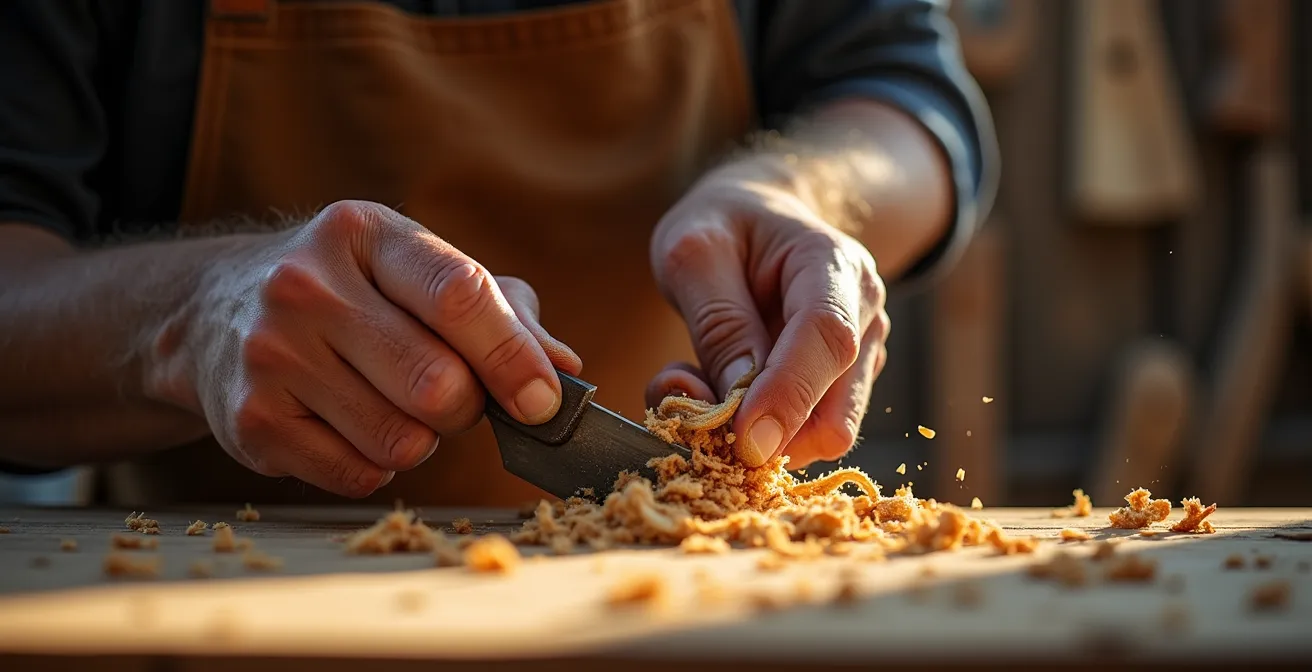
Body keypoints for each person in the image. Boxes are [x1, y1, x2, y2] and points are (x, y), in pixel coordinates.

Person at [0, 0, 997, 507]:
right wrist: (188, 313)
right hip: (222, 594)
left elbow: (904, 98)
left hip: (684, 602)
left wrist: (800, 188)